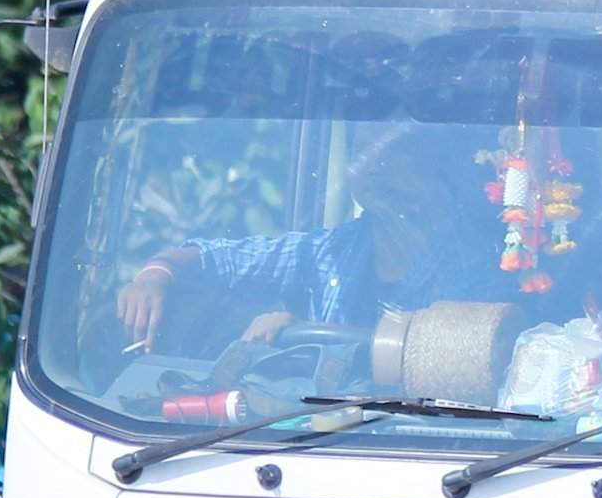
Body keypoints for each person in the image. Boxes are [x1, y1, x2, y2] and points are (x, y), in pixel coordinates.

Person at [113, 142, 468, 350]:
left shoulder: (472, 265)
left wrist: (304, 334)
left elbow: (456, 354)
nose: (373, 169)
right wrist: (155, 274)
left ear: (435, 173)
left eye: (393, 156)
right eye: (363, 153)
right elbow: (223, 259)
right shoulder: (330, 249)